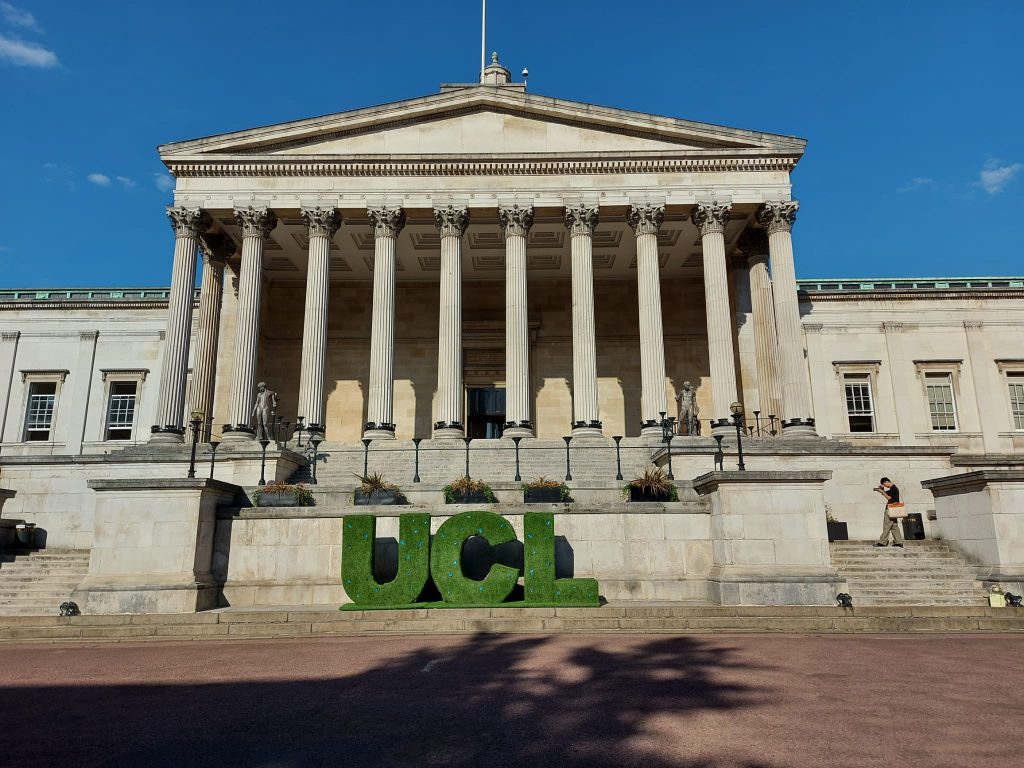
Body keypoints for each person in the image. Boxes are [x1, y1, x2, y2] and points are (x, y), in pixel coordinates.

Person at [873, 476, 904, 548]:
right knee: (894, 526)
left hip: (890, 509)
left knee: (887, 525)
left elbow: (889, 498)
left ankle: (882, 542)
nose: (885, 486)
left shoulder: (893, 488)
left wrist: (882, 492)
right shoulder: (894, 488)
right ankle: (899, 542)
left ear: (887, 482)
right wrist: (882, 490)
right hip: (894, 509)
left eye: (884, 484)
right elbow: (888, 494)